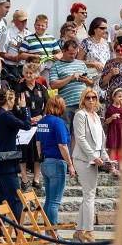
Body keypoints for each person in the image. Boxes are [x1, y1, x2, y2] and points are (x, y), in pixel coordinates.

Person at [71, 88, 111, 243]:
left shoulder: (95, 115)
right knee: (89, 195)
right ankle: (89, 231)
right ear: (83, 99)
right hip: (83, 159)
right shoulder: (80, 115)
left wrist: (106, 158)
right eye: (88, 98)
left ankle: (79, 231)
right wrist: (94, 157)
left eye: (94, 97)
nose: (91, 100)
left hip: (94, 158)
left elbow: (100, 141)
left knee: (88, 195)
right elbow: (80, 138)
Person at [0, 89, 32, 222]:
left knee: (1, 200)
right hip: (6, 165)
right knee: (15, 199)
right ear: (8, 100)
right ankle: (19, 234)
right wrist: (24, 109)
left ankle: (0, 234)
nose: (14, 103)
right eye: (13, 100)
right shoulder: (6, 115)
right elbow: (26, 125)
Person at [35, 95, 75, 227]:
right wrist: (70, 164)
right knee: (55, 201)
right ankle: (52, 232)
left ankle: (48, 230)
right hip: (57, 162)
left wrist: (41, 156)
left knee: (49, 199)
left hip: (45, 162)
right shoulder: (58, 122)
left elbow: (38, 143)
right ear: (61, 107)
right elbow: (62, 145)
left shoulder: (42, 121)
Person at [15, 62, 47, 190]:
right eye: (26, 72)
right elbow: (16, 105)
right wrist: (27, 117)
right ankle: (24, 178)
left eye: (31, 73)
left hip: (39, 123)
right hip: (24, 123)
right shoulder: (19, 87)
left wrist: (41, 117)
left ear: (36, 74)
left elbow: (48, 105)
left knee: (38, 151)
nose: (28, 75)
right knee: (24, 150)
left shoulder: (41, 88)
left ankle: (36, 178)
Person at [49, 39, 92, 130]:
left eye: (75, 53)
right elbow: (53, 85)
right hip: (66, 104)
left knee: (80, 133)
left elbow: (91, 83)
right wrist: (70, 78)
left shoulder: (81, 64)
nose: (73, 56)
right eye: (70, 53)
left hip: (82, 103)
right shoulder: (56, 65)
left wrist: (86, 80)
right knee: (66, 131)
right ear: (63, 51)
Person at [18, 15, 62, 82]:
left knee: (47, 87)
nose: (40, 27)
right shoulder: (28, 39)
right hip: (34, 69)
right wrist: (33, 56)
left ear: (46, 27)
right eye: (38, 25)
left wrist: (57, 56)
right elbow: (21, 54)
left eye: (42, 25)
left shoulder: (51, 38)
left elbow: (60, 53)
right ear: (34, 25)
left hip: (49, 68)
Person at [0, 10, 30, 87]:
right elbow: (1, 53)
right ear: (15, 21)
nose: (24, 23)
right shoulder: (8, 33)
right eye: (22, 21)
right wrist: (15, 58)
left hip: (26, 68)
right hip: (12, 68)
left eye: (25, 21)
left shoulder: (29, 34)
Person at [78, 17, 112, 82]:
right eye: (102, 28)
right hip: (91, 77)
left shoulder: (106, 43)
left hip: (104, 78)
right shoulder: (86, 42)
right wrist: (93, 64)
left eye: (105, 28)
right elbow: (79, 61)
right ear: (94, 29)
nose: (105, 30)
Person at [104, 87, 122, 175]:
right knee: (113, 148)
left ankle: (120, 166)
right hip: (113, 129)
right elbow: (106, 121)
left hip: (121, 129)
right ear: (114, 97)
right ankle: (112, 166)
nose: (121, 98)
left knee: (121, 148)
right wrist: (111, 117)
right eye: (119, 96)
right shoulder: (110, 109)